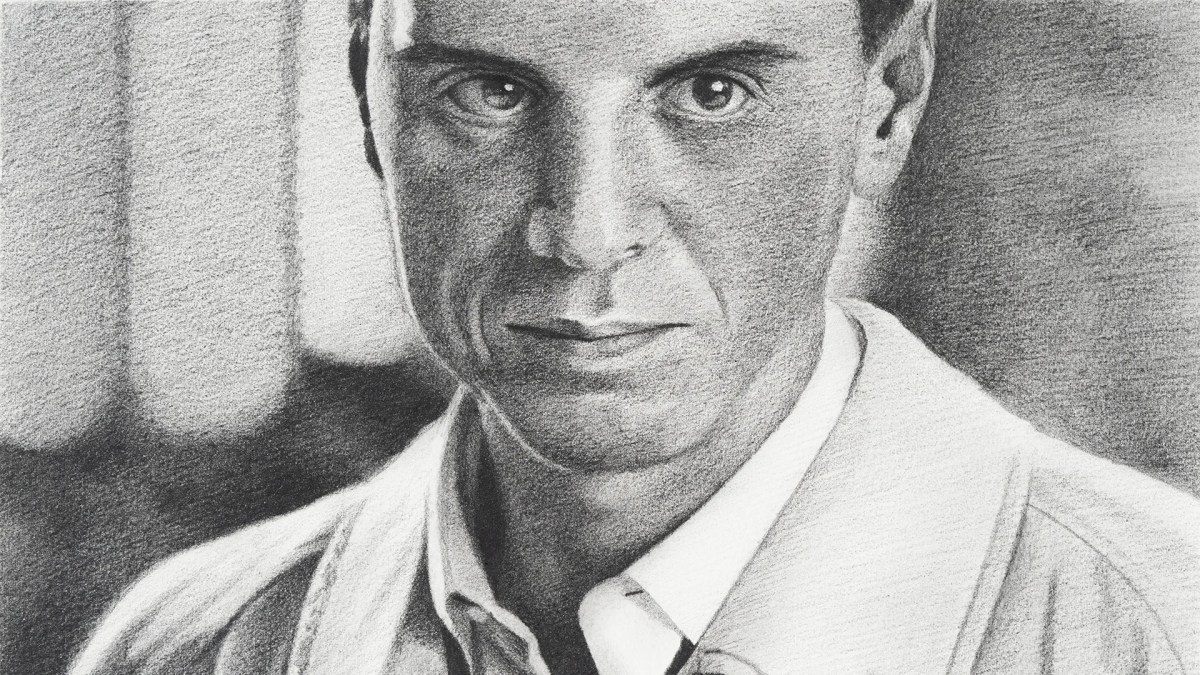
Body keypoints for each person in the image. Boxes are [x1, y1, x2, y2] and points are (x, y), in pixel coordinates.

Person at [72, 0, 1200, 673]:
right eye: (489, 92)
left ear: (889, 99)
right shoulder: (192, 648)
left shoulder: (1161, 632)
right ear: (367, 97)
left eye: (712, 92)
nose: (586, 231)